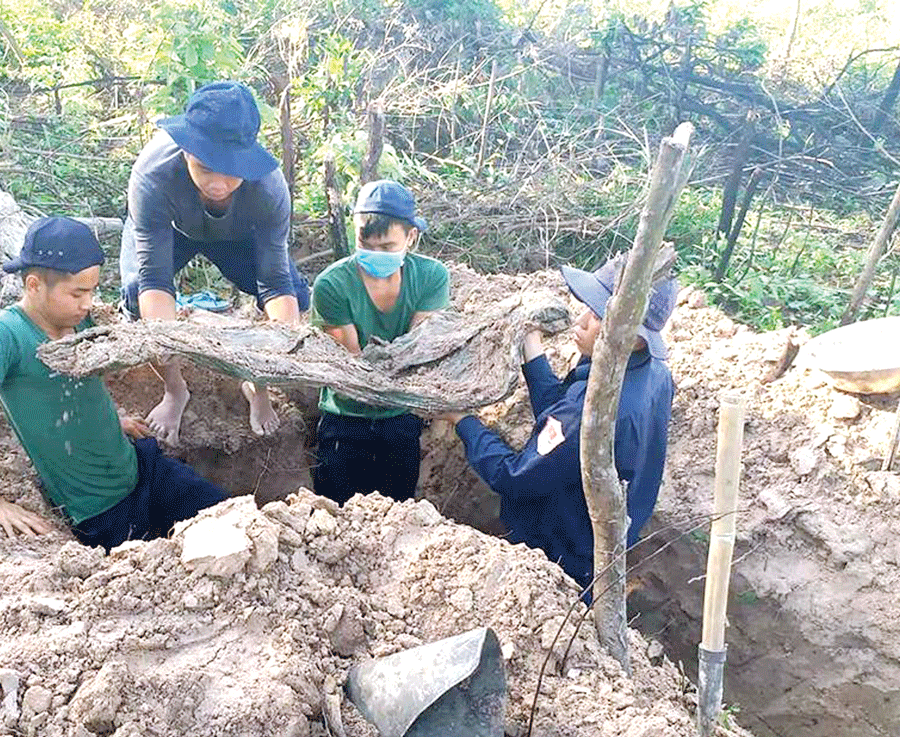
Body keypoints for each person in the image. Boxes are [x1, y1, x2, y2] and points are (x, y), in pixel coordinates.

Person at [0, 216, 227, 550]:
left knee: (232, 518)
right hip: (100, 510)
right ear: (34, 285)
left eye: (92, 291)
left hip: (144, 469)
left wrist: (112, 422)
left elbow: (73, 389)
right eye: (77, 293)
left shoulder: (75, 319)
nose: (88, 304)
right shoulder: (2, 337)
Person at [438, 258, 675, 593]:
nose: (580, 320)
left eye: (596, 315)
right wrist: (532, 353)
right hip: (600, 544)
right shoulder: (650, 373)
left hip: (562, 556)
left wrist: (464, 422)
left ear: (633, 337)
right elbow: (561, 417)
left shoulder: (596, 411)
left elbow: (515, 476)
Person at [119, 80, 310, 445]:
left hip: (238, 235)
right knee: (134, 295)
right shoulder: (152, 176)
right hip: (172, 230)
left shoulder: (268, 189)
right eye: (206, 168)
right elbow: (153, 280)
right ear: (186, 150)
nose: (218, 183)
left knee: (296, 298)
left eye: (231, 170)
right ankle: (176, 392)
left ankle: (252, 386)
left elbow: (275, 283)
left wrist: (264, 381)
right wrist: (173, 387)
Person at [310, 179, 450, 506]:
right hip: (344, 418)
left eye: (387, 247)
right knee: (333, 516)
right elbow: (352, 367)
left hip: (400, 417)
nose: (374, 254)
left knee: (399, 515)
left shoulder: (431, 277)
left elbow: (418, 349)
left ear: (410, 238)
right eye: (365, 243)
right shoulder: (332, 284)